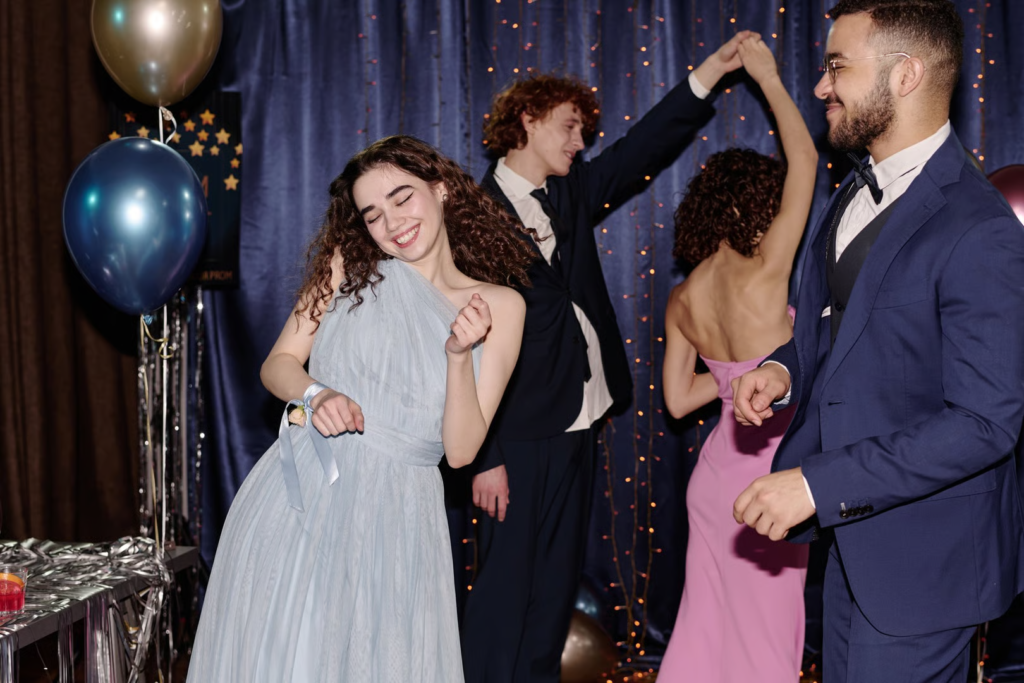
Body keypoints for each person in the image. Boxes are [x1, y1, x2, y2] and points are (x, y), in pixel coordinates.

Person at [731, 2, 1024, 681]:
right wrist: (784, 370)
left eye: (837, 67)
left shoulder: (979, 227)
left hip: (928, 564)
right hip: (852, 548)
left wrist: (816, 483)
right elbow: (842, 332)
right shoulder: (849, 195)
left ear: (906, 75)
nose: (820, 86)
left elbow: (986, 422)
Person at [461, 30, 760, 683]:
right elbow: (463, 348)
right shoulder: (472, 216)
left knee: (552, 593)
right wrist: (485, 457)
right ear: (527, 119)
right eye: (569, 127)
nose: (580, 142)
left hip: (579, 424)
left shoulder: (569, 191)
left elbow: (641, 147)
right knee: (504, 593)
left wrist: (711, 72)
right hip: (515, 435)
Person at [187, 135, 532, 682]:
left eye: (402, 197)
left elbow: (463, 451)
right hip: (302, 501)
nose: (392, 223)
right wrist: (316, 393)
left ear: (440, 188)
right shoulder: (347, 267)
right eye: (372, 214)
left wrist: (458, 355)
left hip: (399, 518)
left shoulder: (499, 305)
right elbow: (277, 364)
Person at [657, 37, 818, 683]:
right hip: (772, 477)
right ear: (758, 205)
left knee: (704, 633)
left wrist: (728, 379)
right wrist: (769, 78)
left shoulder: (682, 297)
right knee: (765, 645)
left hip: (713, 479)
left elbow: (677, 402)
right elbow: (806, 157)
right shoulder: (768, 267)